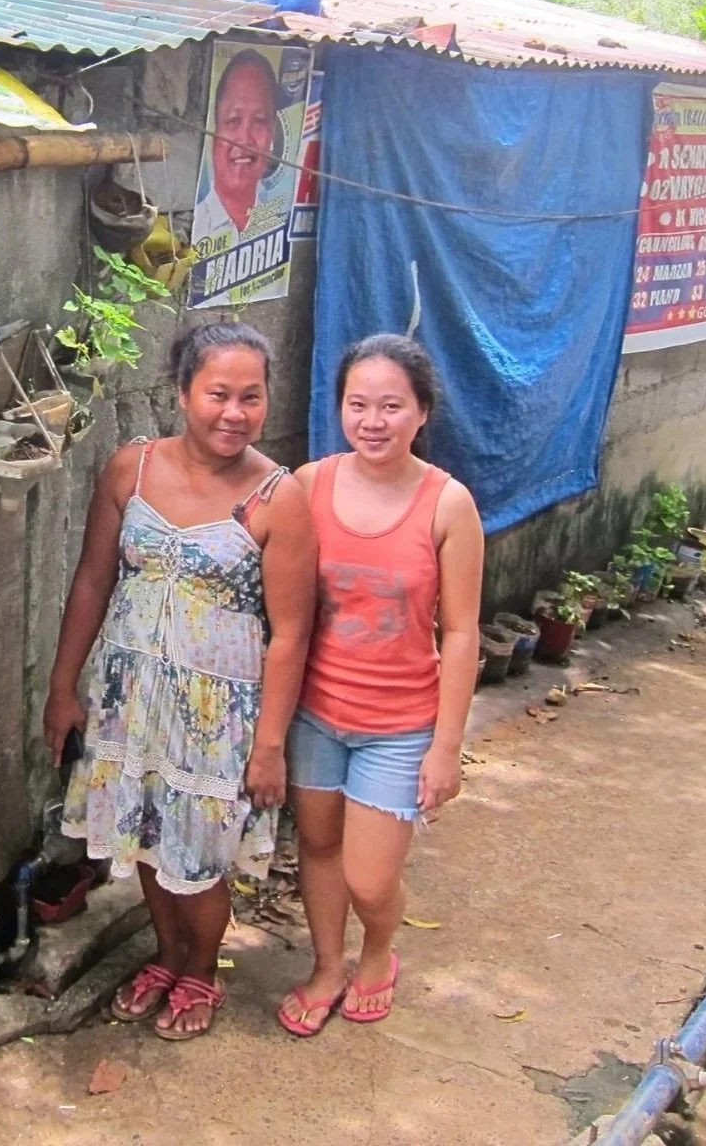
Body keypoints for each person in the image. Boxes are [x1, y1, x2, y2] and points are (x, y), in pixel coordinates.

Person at [43, 321, 317, 1041]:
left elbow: (290, 633)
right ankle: (165, 959)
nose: (234, 412)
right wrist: (62, 687)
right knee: (143, 840)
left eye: (250, 397)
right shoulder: (128, 469)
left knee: (199, 853)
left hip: (216, 716)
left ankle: (200, 969)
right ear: (181, 392)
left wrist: (268, 747)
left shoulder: (277, 498)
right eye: (218, 394)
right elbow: (91, 580)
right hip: (128, 698)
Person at [277, 334, 484, 1036]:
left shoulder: (447, 505)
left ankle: (378, 951)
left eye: (391, 406)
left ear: (421, 413)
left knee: (369, 875)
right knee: (318, 845)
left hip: (398, 725)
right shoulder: (308, 485)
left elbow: (459, 633)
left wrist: (445, 748)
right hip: (313, 714)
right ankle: (328, 964)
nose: (373, 421)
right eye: (357, 404)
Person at [193, 50, 279, 238]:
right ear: (214, 132)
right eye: (233, 120)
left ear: (272, 133)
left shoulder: (275, 222)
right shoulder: (198, 226)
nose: (245, 139)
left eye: (259, 121)